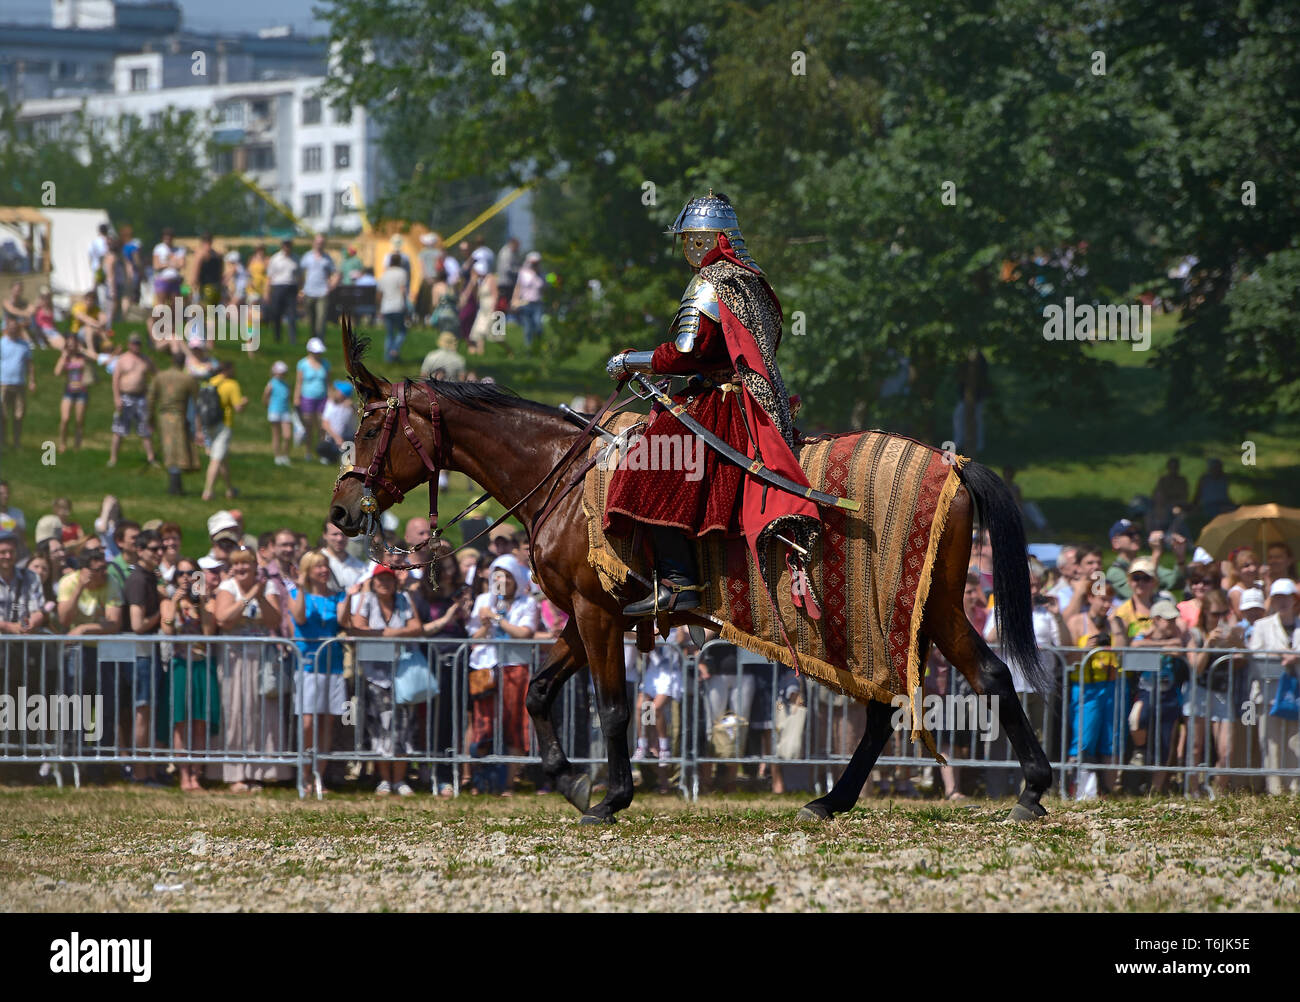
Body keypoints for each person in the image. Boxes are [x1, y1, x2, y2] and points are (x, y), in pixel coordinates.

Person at [604, 191, 820, 616]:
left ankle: (679, 583)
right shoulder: (753, 279)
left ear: (705, 239)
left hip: (724, 404)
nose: (687, 248)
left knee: (649, 464)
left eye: (690, 238)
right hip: (757, 396)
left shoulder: (711, 282)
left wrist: (629, 361)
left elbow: (686, 351)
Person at [214, 545, 292, 791]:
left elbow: (274, 620)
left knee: (260, 715)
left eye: (245, 563)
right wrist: (247, 598)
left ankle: (258, 771)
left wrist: (259, 595)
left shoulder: (267, 588)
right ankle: (236, 773)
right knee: (235, 712)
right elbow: (223, 619)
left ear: (254, 567)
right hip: (233, 659)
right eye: (236, 563)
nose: (240, 568)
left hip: (260, 660)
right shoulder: (227, 588)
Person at [465, 563, 538, 794]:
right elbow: (473, 636)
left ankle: (507, 782)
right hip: (484, 667)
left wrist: (497, 618)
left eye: (507, 576)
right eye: (497, 576)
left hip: (514, 666)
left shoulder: (527, 602)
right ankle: (479, 779)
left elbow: (525, 633)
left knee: (514, 723)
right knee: (482, 722)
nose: (502, 581)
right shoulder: (483, 600)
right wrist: (486, 624)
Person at [351, 565, 424, 794]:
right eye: (379, 579)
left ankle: (400, 779)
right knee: (379, 727)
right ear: (373, 582)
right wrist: (391, 633)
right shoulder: (369, 601)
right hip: (375, 676)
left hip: (402, 674)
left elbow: (416, 627)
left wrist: (384, 634)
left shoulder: (403, 600)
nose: (384, 583)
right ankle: (384, 778)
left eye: (388, 579)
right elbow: (357, 626)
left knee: (403, 726)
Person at [288, 550, 355, 795]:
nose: (323, 570)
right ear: (308, 571)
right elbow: (300, 618)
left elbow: (343, 621)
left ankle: (319, 776)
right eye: (318, 566)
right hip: (307, 665)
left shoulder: (336, 596)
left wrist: (348, 598)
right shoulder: (296, 594)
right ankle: (304, 773)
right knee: (308, 722)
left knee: (327, 721)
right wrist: (301, 588)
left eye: (325, 565)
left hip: (332, 665)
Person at [161, 558, 217, 791]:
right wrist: (175, 603)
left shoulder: (207, 602)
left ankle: (197, 774)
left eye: (190, 573)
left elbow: (208, 631)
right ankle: (184, 775)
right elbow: (168, 629)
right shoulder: (168, 602)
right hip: (181, 665)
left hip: (201, 665)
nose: (185, 577)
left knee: (200, 722)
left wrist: (202, 602)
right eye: (180, 573)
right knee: (180, 722)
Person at [1182, 588, 1244, 798]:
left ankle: (1218, 794)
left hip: (1222, 692)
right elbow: (1196, 668)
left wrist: (1235, 640)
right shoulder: (1195, 635)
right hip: (1198, 691)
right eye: (1215, 614)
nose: (1219, 619)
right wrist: (1208, 643)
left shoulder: (1230, 633)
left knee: (1226, 750)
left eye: (1223, 613)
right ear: (1205, 613)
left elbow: (1246, 658)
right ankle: (1192, 791)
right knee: (1195, 747)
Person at [1246, 579, 1300, 795]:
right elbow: (1254, 655)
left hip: (1296, 695)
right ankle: (1275, 791)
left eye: (1286, 597)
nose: (1282, 601)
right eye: (1277, 597)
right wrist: (1279, 657)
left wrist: (1295, 659)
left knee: (1296, 743)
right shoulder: (1262, 625)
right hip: (1269, 693)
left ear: (1294, 600)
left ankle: (1295, 790)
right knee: (1271, 745)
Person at [122, 529, 167, 784]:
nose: (159, 553)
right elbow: (138, 624)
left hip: (148, 653)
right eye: (153, 549)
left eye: (161, 548)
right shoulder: (138, 579)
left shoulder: (150, 577)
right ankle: (140, 772)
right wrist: (163, 611)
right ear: (140, 551)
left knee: (148, 712)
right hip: (139, 654)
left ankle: (148, 769)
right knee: (142, 711)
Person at [148, 349, 198, 495]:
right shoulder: (187, 379)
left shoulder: (160, 377)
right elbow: (197, 402)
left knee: (171, 450)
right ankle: (175, 486)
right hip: (180, 416)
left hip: (164, 416)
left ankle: (175, 485)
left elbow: (151, 399)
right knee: (178, 451)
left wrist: (149, 418)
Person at [1104, 518, 1187, 601]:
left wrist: (1180, 557)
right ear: (1115, 543)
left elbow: (1176, 582)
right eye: (1130, 534)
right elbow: (1140, 594)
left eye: (1137, 533)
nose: (1136, 537)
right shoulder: (1114, 572)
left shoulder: (1146, 561)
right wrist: (1156, 553)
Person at [200, 360, 247, 502]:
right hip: (223, 425)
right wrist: (244, 402)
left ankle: (229, 489)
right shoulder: (232, 385)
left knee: (223, 459)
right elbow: (238, 407)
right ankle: (208, 491)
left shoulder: (210, 382)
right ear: (228, 370)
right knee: (216, 458)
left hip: (208, 423)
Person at [107, 334, 157, 468]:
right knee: (119, 429)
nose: (136, 346)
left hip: (141, 397)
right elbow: (115, 380)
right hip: (125, 397)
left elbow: (156, 375)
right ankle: (113, 458)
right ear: (129, 344)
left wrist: (152, 392)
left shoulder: (145, 360)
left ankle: (151, 458)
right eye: (134, 343)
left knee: (145, 429)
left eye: (138, 343)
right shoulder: (123, 359)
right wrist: (117, 398)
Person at [54, 336, 97, 451]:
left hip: (82, 392)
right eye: (69, 344)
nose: (71, 346)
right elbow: (57, 372)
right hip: (68, 391)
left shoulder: (83, 357)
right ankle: (62, 443)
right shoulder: (66, 358)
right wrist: (63, 356)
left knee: (79, 420)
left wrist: (82, 349)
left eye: (73, 344)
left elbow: (95, 357)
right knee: (65, 418)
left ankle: (77, 446)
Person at [0, 320, 35, 453]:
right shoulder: (2, 343)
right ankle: (2, 441)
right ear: (7, 328)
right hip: (3, 383)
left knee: (18, 415)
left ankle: (17, 441)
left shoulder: (24, 345)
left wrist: (32, 380)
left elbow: (30, 364)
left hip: (19, 383)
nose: (13, 330)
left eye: (15, 328)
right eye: (11, 327)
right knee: (2, 414)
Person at [294, 337, 331, 463]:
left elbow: (328, 383)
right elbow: (299, 382)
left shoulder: (325, 364)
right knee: (308, 426)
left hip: (322, 398)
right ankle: (308, 451)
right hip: (307, 397)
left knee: (322, 426)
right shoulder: (302, 364)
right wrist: (296, 398)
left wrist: (330, 397)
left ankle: (322, 452)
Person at [299, 234, 338, 342]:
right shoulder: (307, 257)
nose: (319, 245)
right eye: (318, 242)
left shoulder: (327, 258)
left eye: (321, 243)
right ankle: (312, 342)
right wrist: (301, 289)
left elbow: (335, 273)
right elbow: (300, 273)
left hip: (322, 293)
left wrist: (331, 286)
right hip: (309, 292)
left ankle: (320, 342)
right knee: (311, 320)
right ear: (314, 243)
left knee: (321, 320)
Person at [267, 239, 300, 345]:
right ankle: (277, 337)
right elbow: (270, 276)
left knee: (292, 315)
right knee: (276, 313)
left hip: (291, 287)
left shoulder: (296, 258)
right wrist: (267, 292)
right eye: (285, 245)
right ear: (282, 246)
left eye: (289, 245)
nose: (287, 247)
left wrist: (300, 291)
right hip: (278, 287)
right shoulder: (275, 259)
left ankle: (292, 340)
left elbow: (299, 276)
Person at [377, 252, 409, 362]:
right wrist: (406, 304)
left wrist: (379, 308)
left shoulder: (384, 274)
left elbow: (380, 293)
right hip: (398, 305)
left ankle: (388, 359)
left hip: (386, 306)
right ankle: (394, 349)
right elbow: (403, 290)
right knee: (402, 331)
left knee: (389, 333)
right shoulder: (402, 273)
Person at [510, 251, 545, 349]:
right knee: (528, 327)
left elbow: (545, 288)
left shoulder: (542, 274)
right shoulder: (523, 272)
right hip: (525, 303)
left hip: (538, 303)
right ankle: (529, 349)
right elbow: (518, 287)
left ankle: (539, 344)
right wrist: (514, 300)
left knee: (538, 324)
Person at [319, 380, 357, 463]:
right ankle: (332, 457)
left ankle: (343, 458)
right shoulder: (330, 403)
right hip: (333, 438)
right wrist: (337, 438)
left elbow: (359, 413)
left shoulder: (350, 407)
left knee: (348, 448)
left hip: (348, 438)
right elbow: (324, 423)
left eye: (337, 391)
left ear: (342, 394)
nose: (335, 392)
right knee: (321, 447)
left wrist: (352, 406)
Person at [1150, 457, 1189, 533]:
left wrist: (1171, 502)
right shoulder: (1163, 480)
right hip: (1163, 505)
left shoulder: (1182, 481)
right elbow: (1157, 495)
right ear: (1168, 468)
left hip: (1176, 505)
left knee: (1179, 513)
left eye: (1175, 467)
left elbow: (1184, 498)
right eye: (1171, 467)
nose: (1173, 470)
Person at [152, 228, 185, 304]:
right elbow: (156, 266)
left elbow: (181, 264)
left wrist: (166, 264)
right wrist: (171, 263)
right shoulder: (158, 248)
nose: (168, 239)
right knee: (161, 307)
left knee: (176, 307)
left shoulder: (179, 249)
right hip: (162, 280)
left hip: (175, 281)